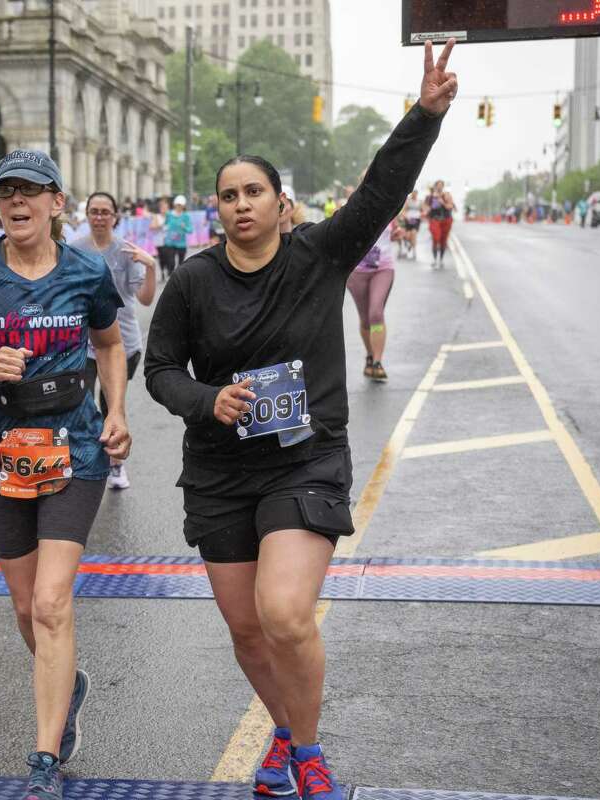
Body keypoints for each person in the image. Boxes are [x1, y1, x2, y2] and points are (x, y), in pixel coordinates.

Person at [144, 40, 457, 800]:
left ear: (281, 203)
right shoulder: (191, 282)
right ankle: (283, 729)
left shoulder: (319, 256)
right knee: (246, 630)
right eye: (229, 194)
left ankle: (308, 752)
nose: (242, 204)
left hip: (302, 462)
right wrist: (204, 400)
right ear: (216, 209)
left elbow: (381, 193)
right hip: (219, 472)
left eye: (255, 191)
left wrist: (424, 114)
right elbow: (157, 372)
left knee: (283, 614)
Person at [0, 150, 131, 800]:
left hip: (74, 441)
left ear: (56, 203)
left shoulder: (87, 271)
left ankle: (43, 755)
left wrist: (116, 409)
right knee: (22, 606)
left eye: (30, 191)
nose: (16, 201)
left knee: (50, 602)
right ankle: (67, 682)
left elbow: (111, 343)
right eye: (5, 190)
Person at [72, 191, 156, 490]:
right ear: (87, 215)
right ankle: (83, 462)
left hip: (121, 343)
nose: (99, 217)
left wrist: (150, 267)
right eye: (94, 211)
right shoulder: (73, 249)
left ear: (115, 217)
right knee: (80, 403)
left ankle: (116, 465)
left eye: (105, 212)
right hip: (83, 343)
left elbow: (145, 300)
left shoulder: (126, 251)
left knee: (111, 405)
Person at [347, 214, 398, 382]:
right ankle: (370, 355)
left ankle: (377, 362)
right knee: (365, 319)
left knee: (376, 313)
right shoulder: (355, 208)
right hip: (357, 272)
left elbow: (393, 231)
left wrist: (397, 234)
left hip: (383, 268)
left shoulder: (390, 209)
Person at [160, 195, 192, 280]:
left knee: (181, 263)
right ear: (174, 205)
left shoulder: (186, 216)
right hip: (170, 242)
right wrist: (165, 228)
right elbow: (165, 224)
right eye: (177, 205)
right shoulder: (169, 214)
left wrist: (184, 227)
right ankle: (171, 277)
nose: (179, 207)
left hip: (181, 244)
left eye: (181, 205)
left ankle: (178, 278)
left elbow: (190, 230)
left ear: (183, 206)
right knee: (171, 262)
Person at [424, 179, 454, 269]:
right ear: (435, 186)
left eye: (441, 185)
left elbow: (450, 206)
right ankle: (434, 259)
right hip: (434, 220)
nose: (440, 186)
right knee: (436, 238)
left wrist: (443, 203)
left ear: (443, 186)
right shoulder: (429, 197)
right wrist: (427, 209)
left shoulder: (447, 195)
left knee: (443, 241)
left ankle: (440, 259)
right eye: (438, 185)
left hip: (446, 220)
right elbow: (425, 207)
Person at [401, 190, 421, 258]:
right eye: (413, 194)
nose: (414, 195)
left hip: (416, 219)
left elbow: (424, 210)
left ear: (417, 194)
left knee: (414, 234)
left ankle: (414, 251)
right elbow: (403, 211)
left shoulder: (419, 202)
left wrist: (422, 214)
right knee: (408, 236)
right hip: (409, 220)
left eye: (415, 194)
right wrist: (405, 216)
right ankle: (409, 246)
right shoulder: (408, 201)